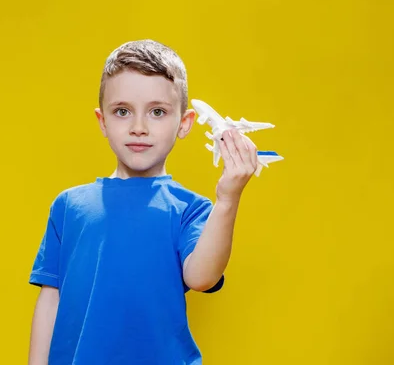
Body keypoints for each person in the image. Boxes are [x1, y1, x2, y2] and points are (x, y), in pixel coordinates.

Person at [28, 39, 258, 364]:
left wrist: (228, 199)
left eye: (157, 112)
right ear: (103, 121)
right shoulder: (68, 206)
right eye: (123, 111)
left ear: (184, 123)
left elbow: (201, 278)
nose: (139, 128)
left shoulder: (191, 209)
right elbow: (50, 300)